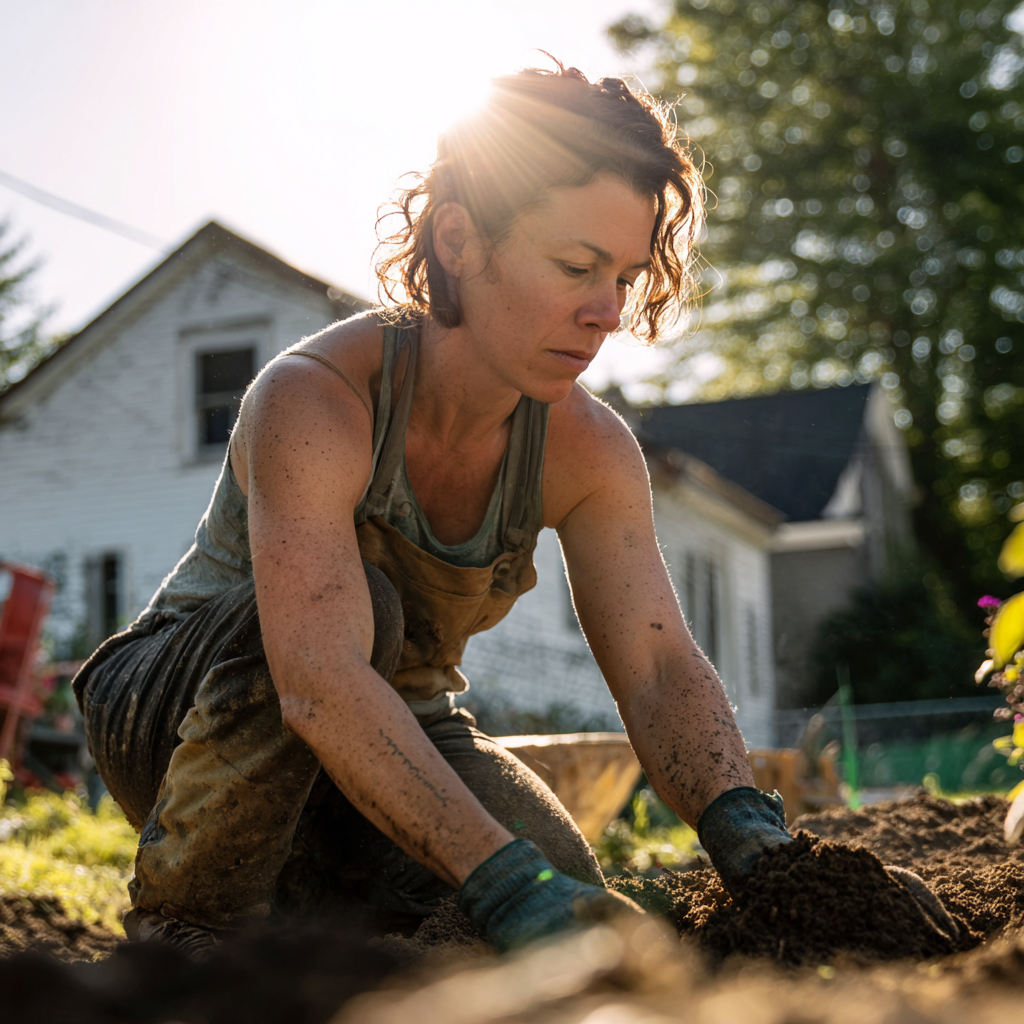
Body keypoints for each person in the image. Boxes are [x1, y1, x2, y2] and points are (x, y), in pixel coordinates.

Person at [74, 63, 794, 958]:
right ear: (458, 239)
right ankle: (185, 928)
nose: (607, 312)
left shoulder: (590, 450)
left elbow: (655, 667)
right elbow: (317, 680)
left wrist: (748, 831)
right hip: (176, 709)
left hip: (396, 725)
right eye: (576, 267)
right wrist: (497, 882)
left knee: (560, 882)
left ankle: (320, 909)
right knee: (372, 630)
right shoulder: (317, 400)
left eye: (625, 275)